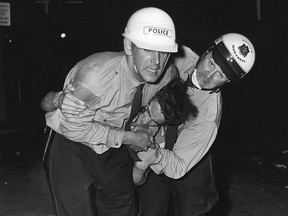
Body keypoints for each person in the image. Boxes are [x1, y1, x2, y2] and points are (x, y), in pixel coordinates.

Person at [40, 7, 178, 216]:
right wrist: (130, 137)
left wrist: (144, 125)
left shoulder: (167, 75)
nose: (156, 61)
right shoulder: (94, 78)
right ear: (129, 47)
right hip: (72, 144)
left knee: (123, 207)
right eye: (148, 50)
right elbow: (73, 127)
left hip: (112, 147)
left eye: (164, 52)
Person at [135, 33, 256, 216]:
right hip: (156, 133)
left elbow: (178, 166)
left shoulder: (208, 115)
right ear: (207, 51)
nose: (209, 74)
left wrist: (149, 150)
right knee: (151, 207)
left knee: (194, 205)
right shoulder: (177, 56)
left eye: (220, 75)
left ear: (228, 82)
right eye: (211, 63)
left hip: (187, 152)